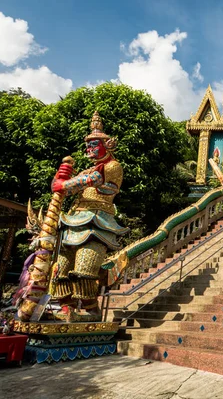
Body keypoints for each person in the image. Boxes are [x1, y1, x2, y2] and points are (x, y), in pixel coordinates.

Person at [47, 112, 128, 321]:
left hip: (97, 221)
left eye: (94, 145)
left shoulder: (112, 166)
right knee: (60, 269)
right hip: (74, 219)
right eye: (88, 145)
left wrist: (65, 184)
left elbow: (95, 180)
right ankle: (66, 308)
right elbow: (66, 189)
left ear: (107, 145)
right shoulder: (87, 169)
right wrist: (60, 179)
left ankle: (91, 310)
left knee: (84, 270)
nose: (89, 149)